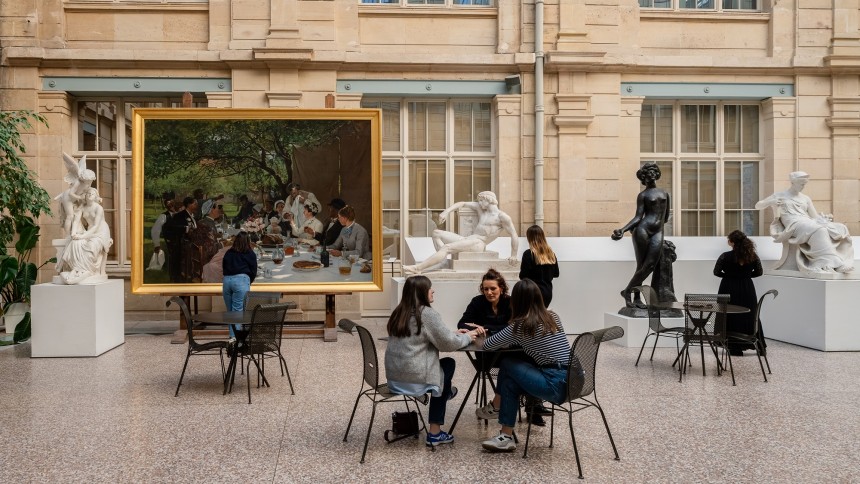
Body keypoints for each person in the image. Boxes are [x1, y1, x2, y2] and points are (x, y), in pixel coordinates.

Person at [477, 279, 572, 452]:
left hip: (554, 385)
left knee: (506, 362)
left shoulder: (520, 326)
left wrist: (482, 335)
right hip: (574, 380)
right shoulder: (553, 316)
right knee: (510, 384)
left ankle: (496, 407)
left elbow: (488, 345)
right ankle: (505, 436)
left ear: (516, 301)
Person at [384, 275, 480, 447]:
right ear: (421, 293)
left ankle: (446, 391)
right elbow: (448, 344)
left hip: (394, 380)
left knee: (442, 376)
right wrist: (466, 337)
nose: (433, 290)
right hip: (415, 379)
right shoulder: (426, 314)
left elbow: (429, 336)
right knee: (448, 365)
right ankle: (435, 433)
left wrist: (453, 333)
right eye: (429, 288)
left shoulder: (398, 313)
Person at [457, 269, 548, 426]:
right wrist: (481, 327)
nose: (489, 292)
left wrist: (484, 327)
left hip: (508, 352)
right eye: (486, 289)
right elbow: (462, 324)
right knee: (519, 363)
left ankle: (532, 405)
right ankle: (529, 402)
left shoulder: (511, 302)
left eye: (493, 288)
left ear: (501, 288)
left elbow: (514, 326)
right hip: (487, 355)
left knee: (528, 358)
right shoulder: (477, 302)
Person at [755, 171, 854, 273]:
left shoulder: (805, 198)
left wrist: (824, 219)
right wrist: (771, 202)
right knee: (820, 230)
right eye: (801, 184)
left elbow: (814, 216)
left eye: (804, 184)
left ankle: (839, 260)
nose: (803, 187)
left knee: (841, 227)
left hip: (807, 222)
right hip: (794, 224)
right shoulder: (779, 195)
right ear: (793, 182)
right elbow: (758, 205)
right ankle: (830, 263)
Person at [403, 191, 519, 274]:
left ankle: (418, 268)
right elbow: (462, 203)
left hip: (478, 244)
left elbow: (514, 234)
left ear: (488, 199)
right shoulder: (481, 210)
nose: (479, 203)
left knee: (447, 247)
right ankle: (442, 260)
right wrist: (446, 211)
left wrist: (513, 255)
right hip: (469, 239)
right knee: (436, 233)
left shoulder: (502, 217)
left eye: (481, 200)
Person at [611, 162, 670, 309]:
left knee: (649, 265)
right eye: (647, 172)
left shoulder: (665, 193)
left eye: (652, 171)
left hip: (658, 231)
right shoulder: (643, 195)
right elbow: (638, 217)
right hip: (642, 230)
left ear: (656, 174)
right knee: (641, 266)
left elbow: (666, 217)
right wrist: (623, 230)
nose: (650, 174)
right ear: (644, 177)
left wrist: (658, 225)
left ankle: (627, 291)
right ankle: (636, 297)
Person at [714, 230, 765, 356]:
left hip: (728, 287)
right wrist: (745, 276)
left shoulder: (725, 256)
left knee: (729, 315)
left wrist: (729, 276)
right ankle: (759, 345)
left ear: (732, 242)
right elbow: (759, 272)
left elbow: (716, 272)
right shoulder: (752, 256)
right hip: (747, 288)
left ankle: (734, 347)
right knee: (750, 315)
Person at [56, 187, 114, 285]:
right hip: (89, 232)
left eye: (92, 193)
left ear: (96, 196)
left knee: (91, 246)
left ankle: (88, 269)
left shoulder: (98, 208)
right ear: (85, 196)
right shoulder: (82, 207)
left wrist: (83, 236)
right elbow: (76, 221)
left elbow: (96, 226)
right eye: (88, 193)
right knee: (75, 243)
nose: (90, 194)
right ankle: (78, 269)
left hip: (100, 232)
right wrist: (74, 233)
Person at [222, 232, 257, 338]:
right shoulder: (250, 253)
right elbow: (253, 271)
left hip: (227, 281)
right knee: (237, 313)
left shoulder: (228, 252)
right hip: (241, 280)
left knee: (230, 313)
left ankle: (232, 337)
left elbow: (224, 267)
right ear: (248, 241)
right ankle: (235, 340)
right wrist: (247, 282)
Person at [519, 224, 560, 307]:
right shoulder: (551, 254)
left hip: (532, 292)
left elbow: (523, 276)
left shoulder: (528, 254)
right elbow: (556, 274)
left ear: (529, 237)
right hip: (547, 292)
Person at [165, 197, 198, 283]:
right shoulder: (180, 215)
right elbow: (172, 228)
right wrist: (186, 228)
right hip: (181, 245)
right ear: (189, 205)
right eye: (194, 204)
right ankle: (182, 277)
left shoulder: (193, 215)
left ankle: (193, 273)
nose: (196, 205)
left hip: (190, 243)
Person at [151, 198, 176, 269]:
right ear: (166, 206)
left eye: (171, 204)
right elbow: (155, 230)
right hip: (170, 241)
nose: (170, 206)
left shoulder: (180, 214)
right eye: (168, 205)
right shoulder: (163, 216)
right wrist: (157, 244)